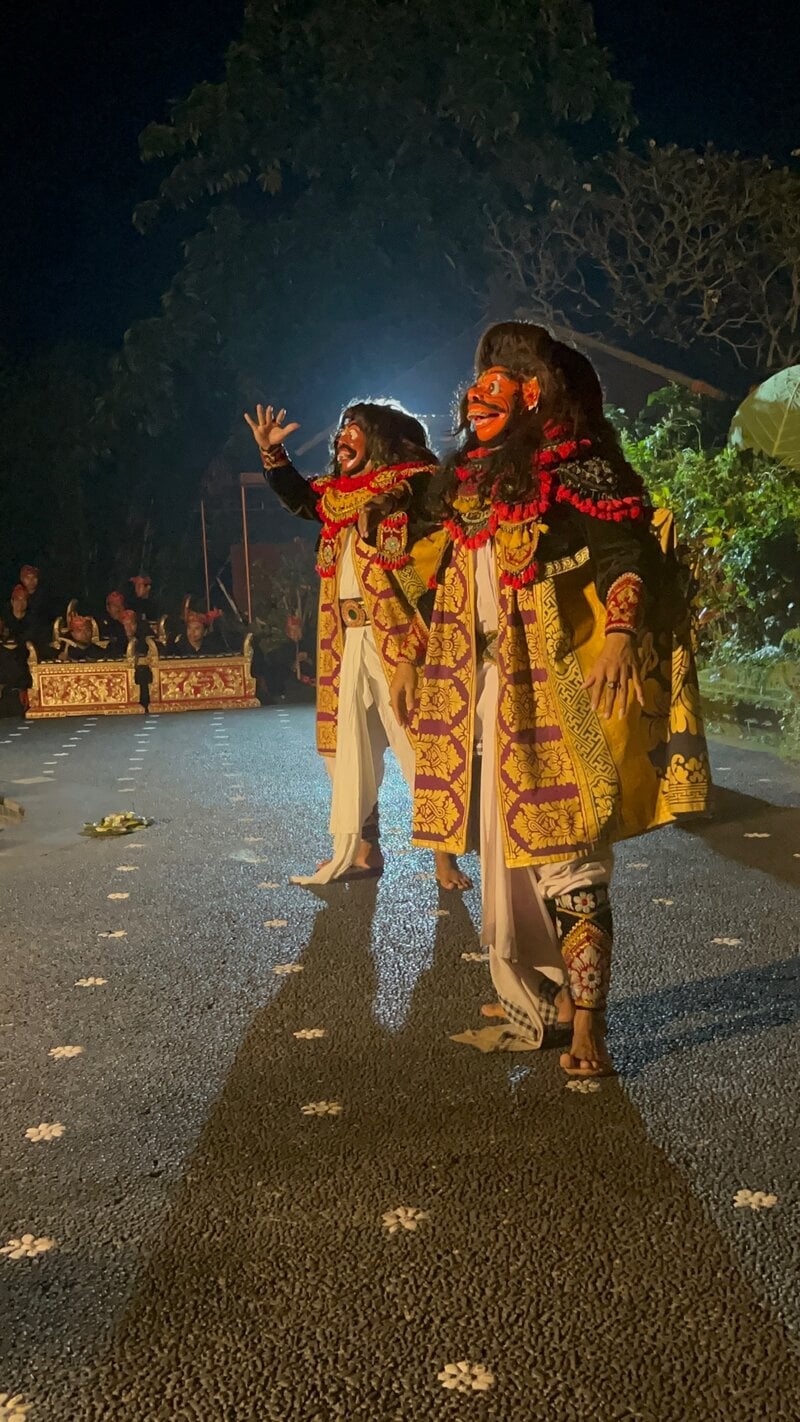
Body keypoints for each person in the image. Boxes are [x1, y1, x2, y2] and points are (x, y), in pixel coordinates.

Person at [391, 322, 711, 1077]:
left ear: (535, 393)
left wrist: (622, 634)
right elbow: (439, 582)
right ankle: (545, 993)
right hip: (483, 690)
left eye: (502, 378)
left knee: (569, 855)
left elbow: (623, 551)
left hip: (561, 685)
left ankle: (590, 1025)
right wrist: (409, 657)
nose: (481, 394)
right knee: (507, 861)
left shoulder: (576, 465)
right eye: (479, 383)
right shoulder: (466, 482)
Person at [244, 398, 471, 889]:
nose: (342, 436)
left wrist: (381, 504)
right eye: (341, 427)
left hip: (398, 636)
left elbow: (419, 504)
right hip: (345, 640)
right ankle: (366, 851)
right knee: (346, 747)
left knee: (418, 744)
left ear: (383, 438)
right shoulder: (336, 494)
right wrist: (273, 456)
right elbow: (303, 498)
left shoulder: (413, 482)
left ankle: (443, 858)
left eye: (355, 428)